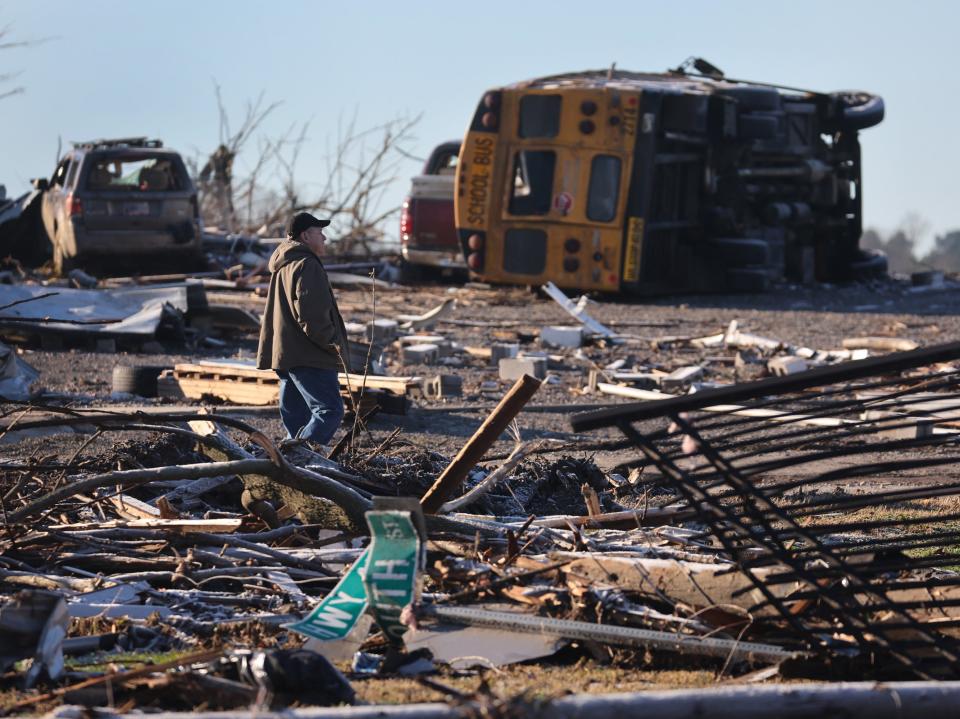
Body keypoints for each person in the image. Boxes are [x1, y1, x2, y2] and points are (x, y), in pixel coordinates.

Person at [257, 212, 351, 447]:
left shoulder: (283, 264)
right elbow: (312, 315)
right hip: (310, 354)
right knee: (330, 410)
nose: (325, 238)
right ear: (306, 236)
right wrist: (331, 344)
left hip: (286, 354)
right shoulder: (307, 265)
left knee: (296, 420)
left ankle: (289, 471)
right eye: (320, 233)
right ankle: (297, 458)